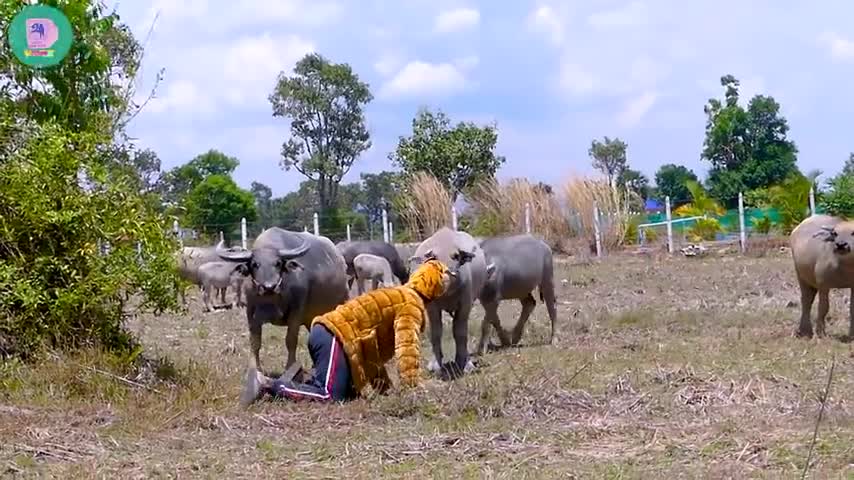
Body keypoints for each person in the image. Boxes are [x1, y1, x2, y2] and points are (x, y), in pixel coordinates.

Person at [240, 256, 457, 406]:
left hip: (331, 336)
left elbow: (373, 350)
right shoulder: (411, 304)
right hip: (334, 335)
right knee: (329, 396)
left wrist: (384, 391)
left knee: (349, 395)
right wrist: (413, 387)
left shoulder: (401, 294)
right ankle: (267, 384)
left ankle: (300, 378)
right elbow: (407, 349)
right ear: (435, 287)